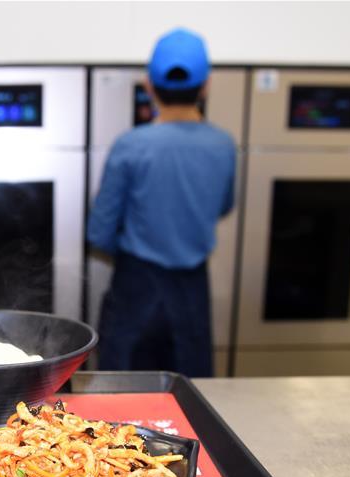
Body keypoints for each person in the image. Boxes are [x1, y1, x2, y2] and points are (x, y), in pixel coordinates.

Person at [87, 28, 236, 377]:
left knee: (123, 394)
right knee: (188, 394)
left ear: (149, 86)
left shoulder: (131, 145)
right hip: (191, 292)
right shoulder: (224, 145)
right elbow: (224, 206)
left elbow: (99, 231)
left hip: (136, 290)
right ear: (206, 86)